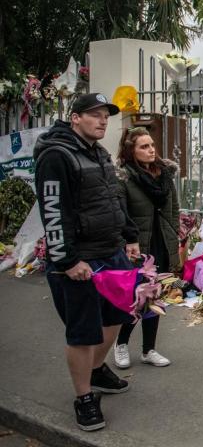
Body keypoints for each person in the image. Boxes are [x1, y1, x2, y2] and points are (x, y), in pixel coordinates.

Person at [34, 93, 142, 432]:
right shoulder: (57, 155)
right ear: (75, 118)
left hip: (111, 251)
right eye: (94, 115)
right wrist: (67, 259)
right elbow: (52, 210)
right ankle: (83, 397)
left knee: (115, 317)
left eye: (105, 116)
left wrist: (129, 234)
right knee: (83, 331)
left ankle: (96, 371)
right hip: (80, 260)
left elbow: (111, 198)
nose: (102, 121)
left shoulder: (97, 153)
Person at [113, 127, 181, 369]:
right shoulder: (124, 178)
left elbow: (173, 210)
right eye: (144, 146)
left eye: (152, 145)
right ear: (132, 151)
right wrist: (125, 245)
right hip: (138, 247)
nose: (151, 150)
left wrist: (175, 235)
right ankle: (120, 344)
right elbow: (119, 214)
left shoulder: (164, 174)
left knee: (155, 298)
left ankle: (148, 349)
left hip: (161, 242)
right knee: (135, 299)